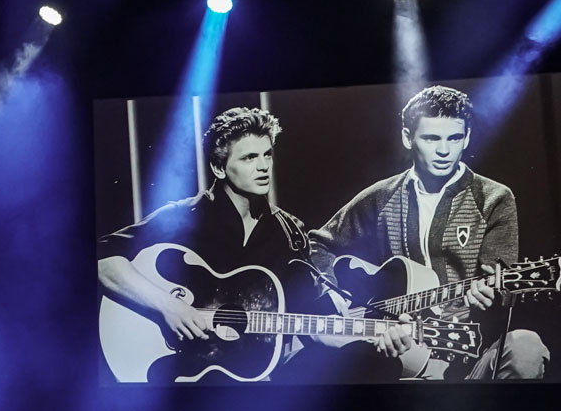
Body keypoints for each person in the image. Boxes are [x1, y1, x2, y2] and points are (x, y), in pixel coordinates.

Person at [97, 106, 412, 383]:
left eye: (267, 154)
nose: (263, 167)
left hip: (253, 387)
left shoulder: (289, 233)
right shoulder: (184, 217)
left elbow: (316, 324)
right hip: (183, 378)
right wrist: (168, 306)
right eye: (249, 158)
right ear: (219, 168)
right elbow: (103, 259)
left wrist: (376, 334)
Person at [310, 84, 549, 379]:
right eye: (431, 138)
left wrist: (490, 296)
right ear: (408, 138)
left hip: (470, 347)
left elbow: (500, 283)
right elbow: (319, 245)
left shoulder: (493, 198)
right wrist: (336, 298)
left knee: (526, 347)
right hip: (397, 349)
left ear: (468, 137)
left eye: (455, 137)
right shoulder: (381, 197)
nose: (444, 150)